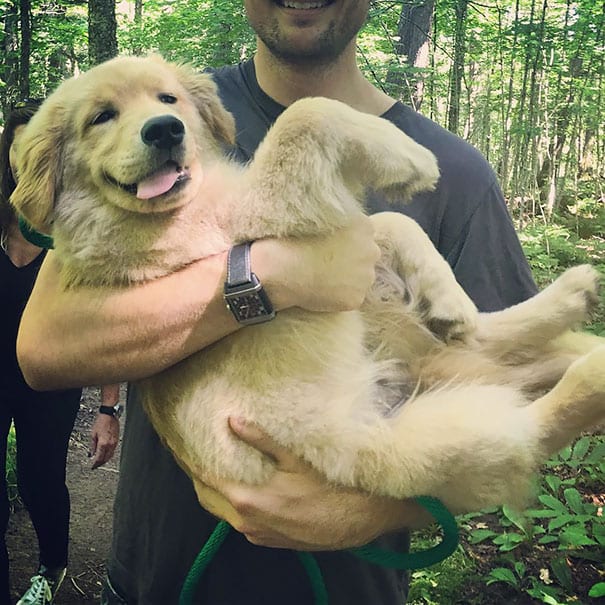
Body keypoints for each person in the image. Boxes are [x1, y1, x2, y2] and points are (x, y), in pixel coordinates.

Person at [16, 2, 538, 603]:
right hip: (158, 572)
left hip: (350, 585)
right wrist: (265, 276)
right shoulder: (172, 107)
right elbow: (43, 350)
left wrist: (373, 511)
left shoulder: (457, 171)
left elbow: (515, 385)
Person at [0, 101, 121, 605]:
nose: (27, 159)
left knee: (41, 478)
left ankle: (52, 566)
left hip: (49, 381)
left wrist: (108, 408)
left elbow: (108, 323)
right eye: (18, 146)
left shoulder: (80, 230)